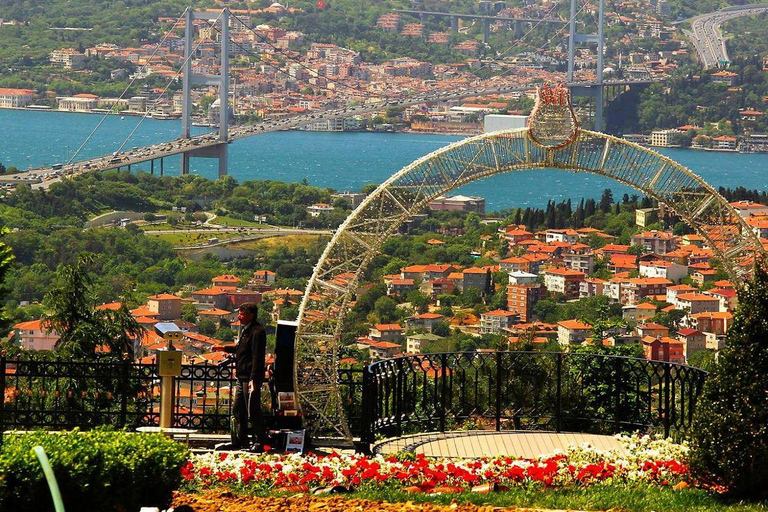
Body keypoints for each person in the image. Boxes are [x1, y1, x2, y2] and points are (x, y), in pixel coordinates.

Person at [214, 302, 267, 450]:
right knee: (238, 410)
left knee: (253, 410)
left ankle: (260, 442)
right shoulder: (246, 330)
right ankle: (240, 441)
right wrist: (222, 347)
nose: (239, 317)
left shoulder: (257, 331)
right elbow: (239, 349)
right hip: (241, 377)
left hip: (250, 378)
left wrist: (253, 380)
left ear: (251, 315)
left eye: (242, 314)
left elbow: (258, 357)